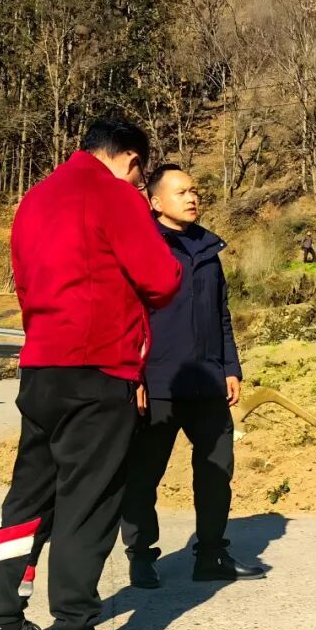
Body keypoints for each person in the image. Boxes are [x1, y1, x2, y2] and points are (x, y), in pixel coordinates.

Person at [0, 117, 183, 630]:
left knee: (29, 497)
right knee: (87, 503)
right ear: (132, 160)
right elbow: (162, 279)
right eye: (140, 173)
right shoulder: (115, 194)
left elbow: (24, 283)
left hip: (41, 365)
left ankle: (6, 626)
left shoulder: (35, 198)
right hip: (97, 367)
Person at [120, 164, 264, 588]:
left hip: (207, 382)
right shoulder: (142, 246)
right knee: (144, 475)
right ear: (155, 201)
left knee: (217, 471)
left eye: (194, 190)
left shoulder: (207, 249)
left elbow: (221, 315)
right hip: (158, 383)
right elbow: (128, 316)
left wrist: (230, 367)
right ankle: (141, 556)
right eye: (181, 191)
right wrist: (135, 377)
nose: (192, 197)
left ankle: (212, 554)